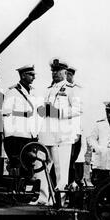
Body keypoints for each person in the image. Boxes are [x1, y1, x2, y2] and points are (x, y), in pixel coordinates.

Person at [37, 58, 82, 206]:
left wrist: (58, 112)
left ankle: (58, 201)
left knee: (61, 170)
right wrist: (42, 110)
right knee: (42, 165)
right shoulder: (49, 89)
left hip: (62, 135)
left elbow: (78, 109)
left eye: (57, 71)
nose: (54, 74)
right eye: (53, 71)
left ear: (65, 72)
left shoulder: (71, 89)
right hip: (47, 132)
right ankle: (43, 198)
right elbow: (44, 109)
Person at [2, 65, 39, 177]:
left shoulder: (32, 92)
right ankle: (16, 192)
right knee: (17, 167)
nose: (34, 77)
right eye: (31, 75)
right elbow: (5, 113)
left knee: (28, 168)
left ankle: (27, 192)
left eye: (34, 75)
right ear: (23, 75)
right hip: (16, 137)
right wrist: (8, 135)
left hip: (29, 137)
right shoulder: (12, 92)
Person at [89, 101, 110, 185]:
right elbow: (92, 138)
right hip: (101, 159)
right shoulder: (99, 124)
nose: (109, 115)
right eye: (108, 112)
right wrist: (97, 148)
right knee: (100, 185)